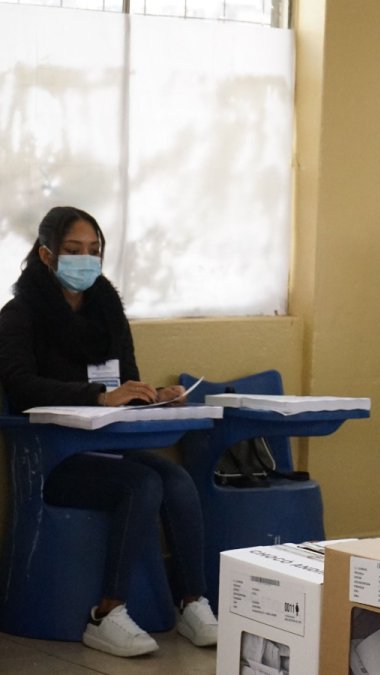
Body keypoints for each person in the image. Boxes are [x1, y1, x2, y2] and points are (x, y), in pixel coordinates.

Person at [0, 206, 218, 657]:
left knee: (175, 480)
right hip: (54, 459)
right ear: (46, 255)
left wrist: (154, 395)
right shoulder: (19, 313)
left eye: (94, 251)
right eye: (74, 250)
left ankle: (192, 602)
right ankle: (107, 613)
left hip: (109, 448)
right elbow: (21, 387)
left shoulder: (107, 308)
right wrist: (97, 396)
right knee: (140, 484)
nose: (87, 260)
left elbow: (126, 381)